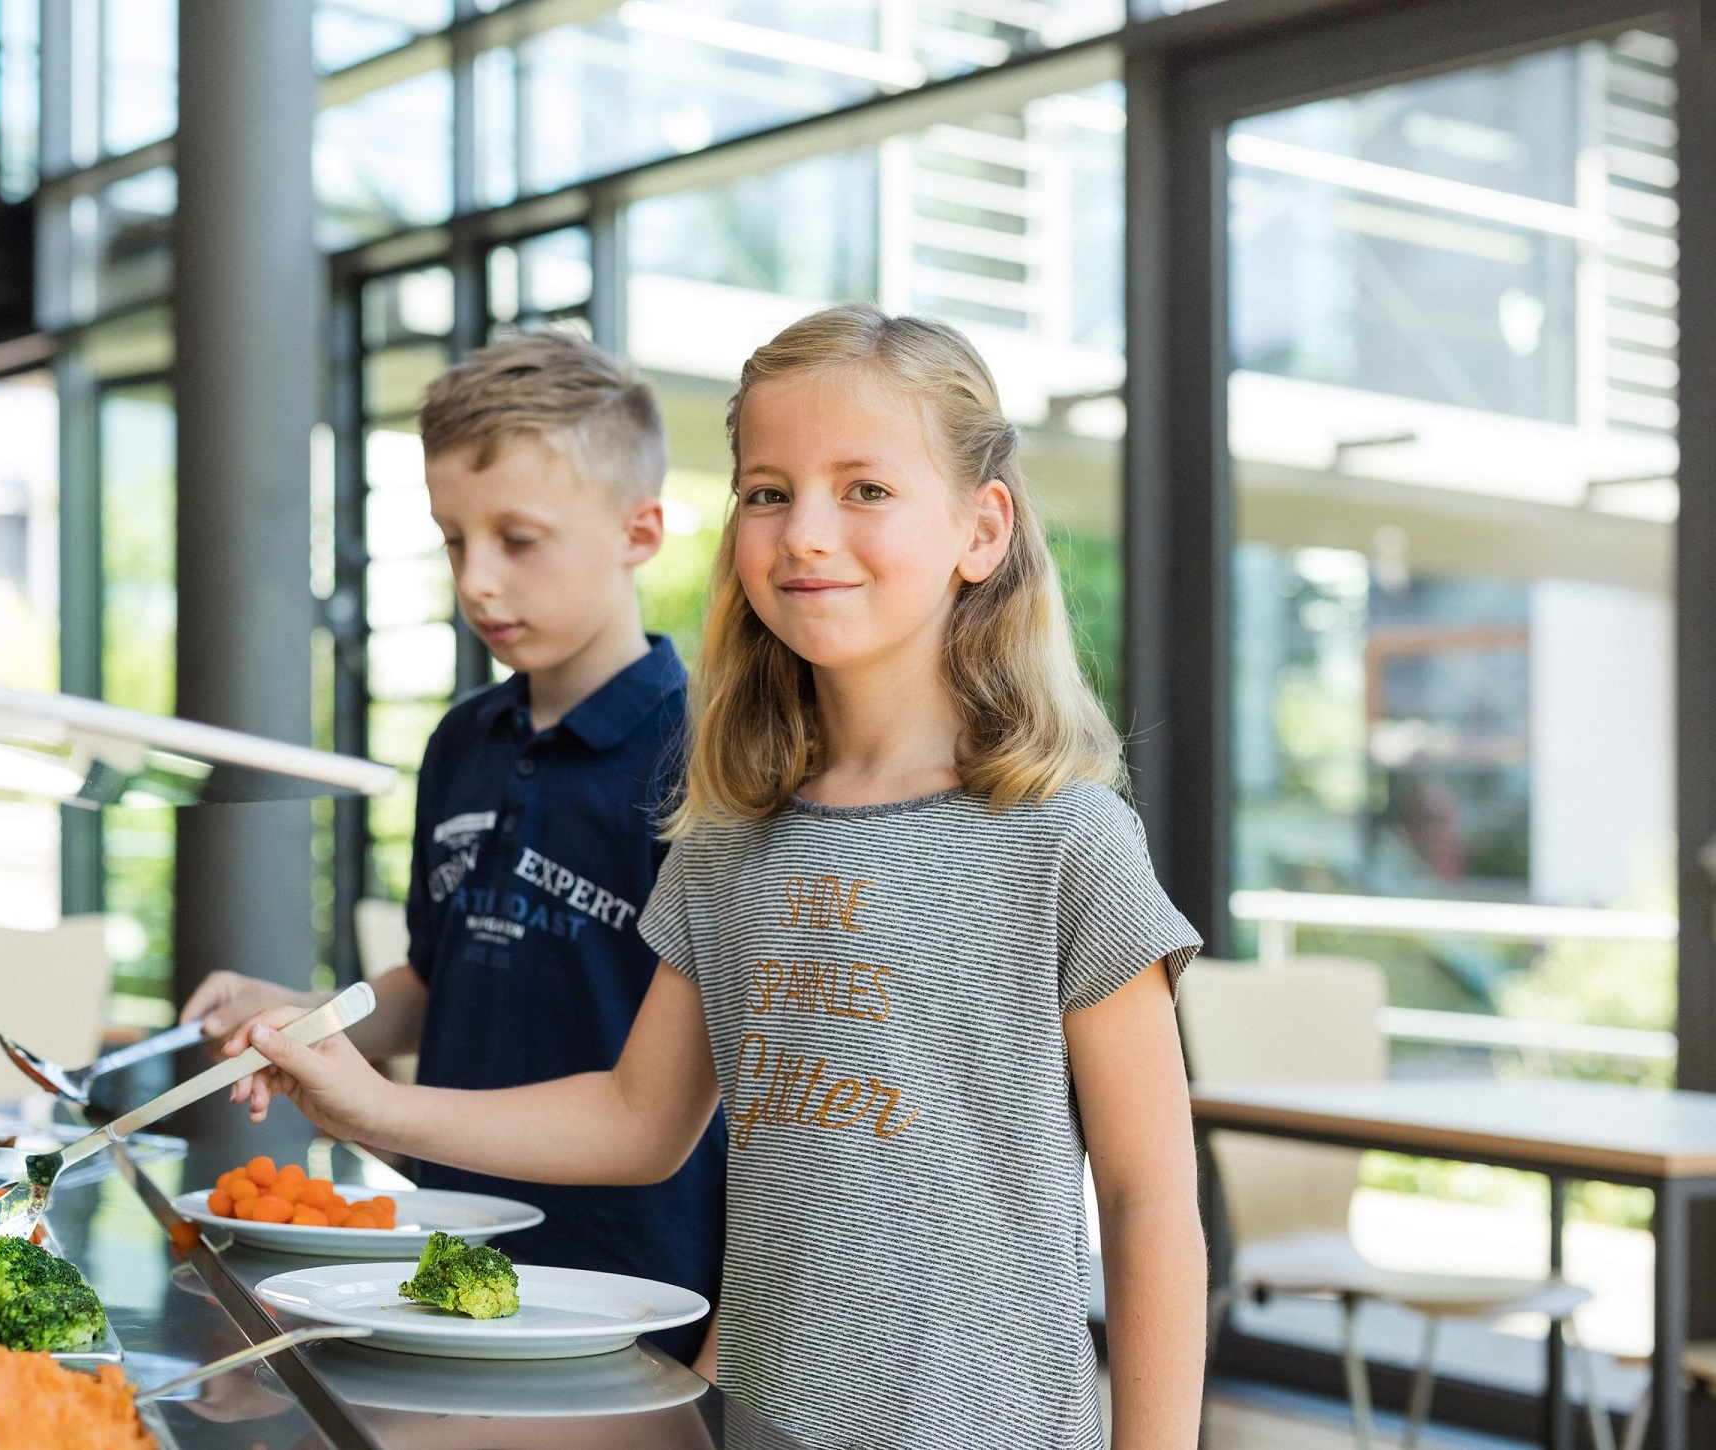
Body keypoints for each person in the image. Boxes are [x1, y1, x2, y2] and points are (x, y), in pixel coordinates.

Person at [217, 304, 1210, 1448]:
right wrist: (374, 1101)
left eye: (866, 490)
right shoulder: (727, 837)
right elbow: (641, 1119)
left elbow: (1149, 1210)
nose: (805, 534)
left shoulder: (1071, 840)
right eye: (768, 491)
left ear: (981, 530)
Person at [180, 329, 725, 1366]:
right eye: (451, 539)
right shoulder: (460, 743)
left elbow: (704, 1087)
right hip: (446, 1248)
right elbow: (444, 975)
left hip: (630, 1281)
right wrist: (316, 1017)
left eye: (519, 539)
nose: (477, 581)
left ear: (641, 531)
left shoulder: (705, 759)